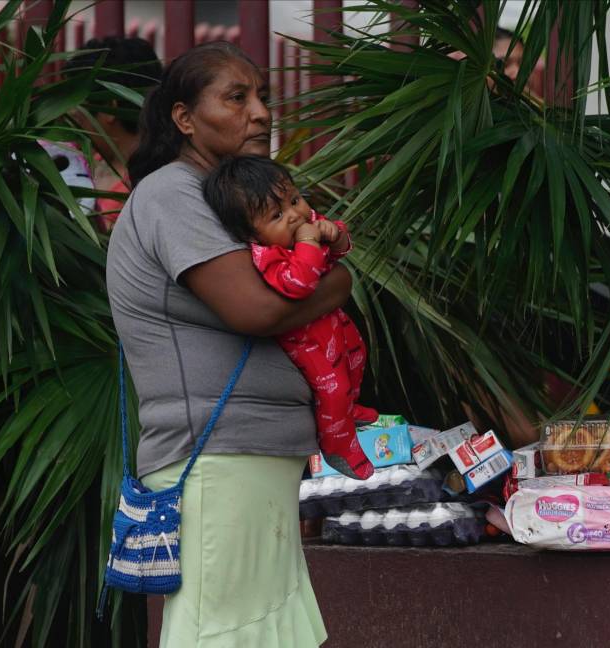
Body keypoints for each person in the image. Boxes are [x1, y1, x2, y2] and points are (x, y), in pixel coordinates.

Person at [107, 42, 335, 647]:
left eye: (262, 96)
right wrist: (341, 278)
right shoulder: (171, 194)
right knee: (222, 632)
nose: (259, 112)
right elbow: (256, 309)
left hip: (251, 454)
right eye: (237, 98)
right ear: (184, 119)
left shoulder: (223, 197)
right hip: (215, 457)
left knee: (267, 632)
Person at [203, 155, 378, 480]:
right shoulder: (266, 255)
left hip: (333, 324)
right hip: (307, 340)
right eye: (277, 215)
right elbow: (299, 283)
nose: (296, 215)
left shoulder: (303, 226)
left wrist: (335, 234)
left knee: (356, 356)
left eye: (295, 199)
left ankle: (348, 411)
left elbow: (339, 250)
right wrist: (311, 242)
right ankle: (339, 446)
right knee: (333, 387)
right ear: (251, 234)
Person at [64, 37, 162, 231]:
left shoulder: (148, 190)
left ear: (109, 109)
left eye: (78, 109)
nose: (72, 119)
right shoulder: (85, 163)